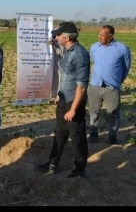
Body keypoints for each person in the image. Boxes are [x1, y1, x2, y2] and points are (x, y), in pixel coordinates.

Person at [37, 22, 90, 178]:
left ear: (66, 37)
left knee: (77, 137)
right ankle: (53, 163)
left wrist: (73, 109)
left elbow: (81, 86)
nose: (56, 36)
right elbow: (66, 77)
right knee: (59, 133)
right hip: (63, 99)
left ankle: (80, 170)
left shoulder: (80, 54)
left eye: (58, 35)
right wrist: (59, 94)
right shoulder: (67, 51)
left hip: (74, 102)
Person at [88, 25, 131, 145]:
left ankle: (112, 137)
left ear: (110, 36)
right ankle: (93, 134)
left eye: (102, 35)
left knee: (113, 114)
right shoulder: (94, 47)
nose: (99, 37)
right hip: (95, 86)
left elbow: (126, 67)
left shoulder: (122, 48)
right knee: (93, 112)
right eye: (99, 34)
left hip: (111, 88)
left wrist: (118, 80)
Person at [49, 35, 65, 99]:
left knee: (59, 79)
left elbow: (62, 53)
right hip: (49, 63)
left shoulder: (61, 41)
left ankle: (58, 96)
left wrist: (53, 46)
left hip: (59, 64)